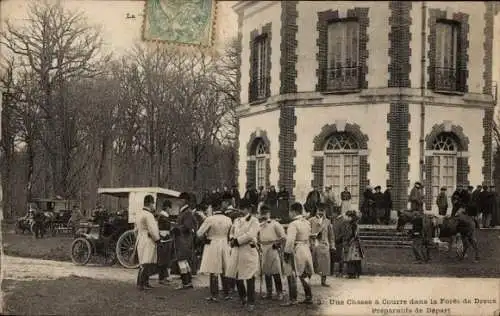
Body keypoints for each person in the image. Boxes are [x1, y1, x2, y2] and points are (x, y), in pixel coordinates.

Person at [226, 199, 260, 312]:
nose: (241, 210)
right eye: (240, 208)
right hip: (237, 251)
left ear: (249, 209)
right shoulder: (237, 220)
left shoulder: (254, 221)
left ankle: (251, 301)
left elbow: (250, 235)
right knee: (237, 275)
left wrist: (237, 241)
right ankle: (243, 297)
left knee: (249, 276)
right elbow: (231, 231)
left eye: (244, 208)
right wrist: (231, 239)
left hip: (248, 251)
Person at [196, 200, 233, 302]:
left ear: (212, 209)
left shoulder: (210, 219)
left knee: (214, 269)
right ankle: (226, 293)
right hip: (225, 243)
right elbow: (231, 234)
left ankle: (214, 294)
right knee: (224, 268)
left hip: (213, 244)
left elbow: (199, 233)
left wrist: (206, 237)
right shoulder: (228, 219)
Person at [281, 202, 314, 306]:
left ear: (294, 211)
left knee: (291, 273)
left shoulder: (293, 224)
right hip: (305, 248)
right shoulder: (307, 222)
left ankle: (292, 299)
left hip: (296, 249)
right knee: (303, 274)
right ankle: (308, 297)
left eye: (290, 211)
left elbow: (290, 240)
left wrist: (286, 252)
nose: (289, 214)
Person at [258, 205, 286, 300]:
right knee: (266, 272)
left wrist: (277, 244)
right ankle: (269, 292)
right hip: (263, 248)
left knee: (275, 271)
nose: (264, 215)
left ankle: (279, 292)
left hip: (273, 248)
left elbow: (283, 237)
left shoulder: (275, 224)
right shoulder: (259, 225)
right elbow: (257, 237)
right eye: (262, 213)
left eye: (266, 213)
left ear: (269, 213)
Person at [172, 192, 198, 290]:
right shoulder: (185, 212)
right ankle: (188, 282)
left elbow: (187, 226)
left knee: (181, 261)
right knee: (184, 261)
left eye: (180, 200)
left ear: (184, 200)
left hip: (184, 240)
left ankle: (185, 282)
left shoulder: (187, 212)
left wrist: (176, 228)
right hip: (183, 239)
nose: (178, 202)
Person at [136, 195, 160, 291]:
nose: (154, 206)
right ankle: (142, 283)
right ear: (150, 203)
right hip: (148, 239)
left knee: (143, 261)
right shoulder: (149, 215)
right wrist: (157, 239)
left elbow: (135, 229)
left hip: (141, 237)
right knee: (146, 262)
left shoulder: (139, 213)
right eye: (153, 203)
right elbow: (153, 229)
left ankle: (144, 282)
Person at [309, 203, 334, 287]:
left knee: (325, 264)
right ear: (316, 211)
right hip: (313, 244)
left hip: (324, 245)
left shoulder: (327, 221)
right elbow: (307, 232)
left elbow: (331, 235)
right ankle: (307, 281)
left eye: (322, 211)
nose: (321, 213)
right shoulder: (311, 220)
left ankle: (323, 281)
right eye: (319, 210)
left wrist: (332, 245)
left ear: (325, 211)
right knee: (310, 263)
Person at [156, 200, 173, 285]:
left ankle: (164, 276)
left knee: (165, 259)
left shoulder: (164, 216)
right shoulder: (162, 216)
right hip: (163, 238)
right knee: (163, 259)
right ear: (167, 207)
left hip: (166, 238)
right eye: (170, 208)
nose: (170, 210)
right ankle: (161, 278)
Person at [343, 211, 364, 278]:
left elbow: (353, 235)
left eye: (348, 217)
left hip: (353, 243)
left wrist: (348, 241)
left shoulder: (354, 225)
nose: (347, 218)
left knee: (352, 258)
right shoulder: (351, 224)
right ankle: (354, 273)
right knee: (353, 259)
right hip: (353, 242)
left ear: (351, 217)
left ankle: (352, 273)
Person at [330, 207, 346, 277]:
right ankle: (331, 271)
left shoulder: (342, 220)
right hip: (333, 241)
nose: (332, 214)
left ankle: (340, 272)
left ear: (336, 213)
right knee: (332, 256)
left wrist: (337, 239)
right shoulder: (334, 219)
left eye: (333, 213)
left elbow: (343, 232)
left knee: (340, 257)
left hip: (339, 242)